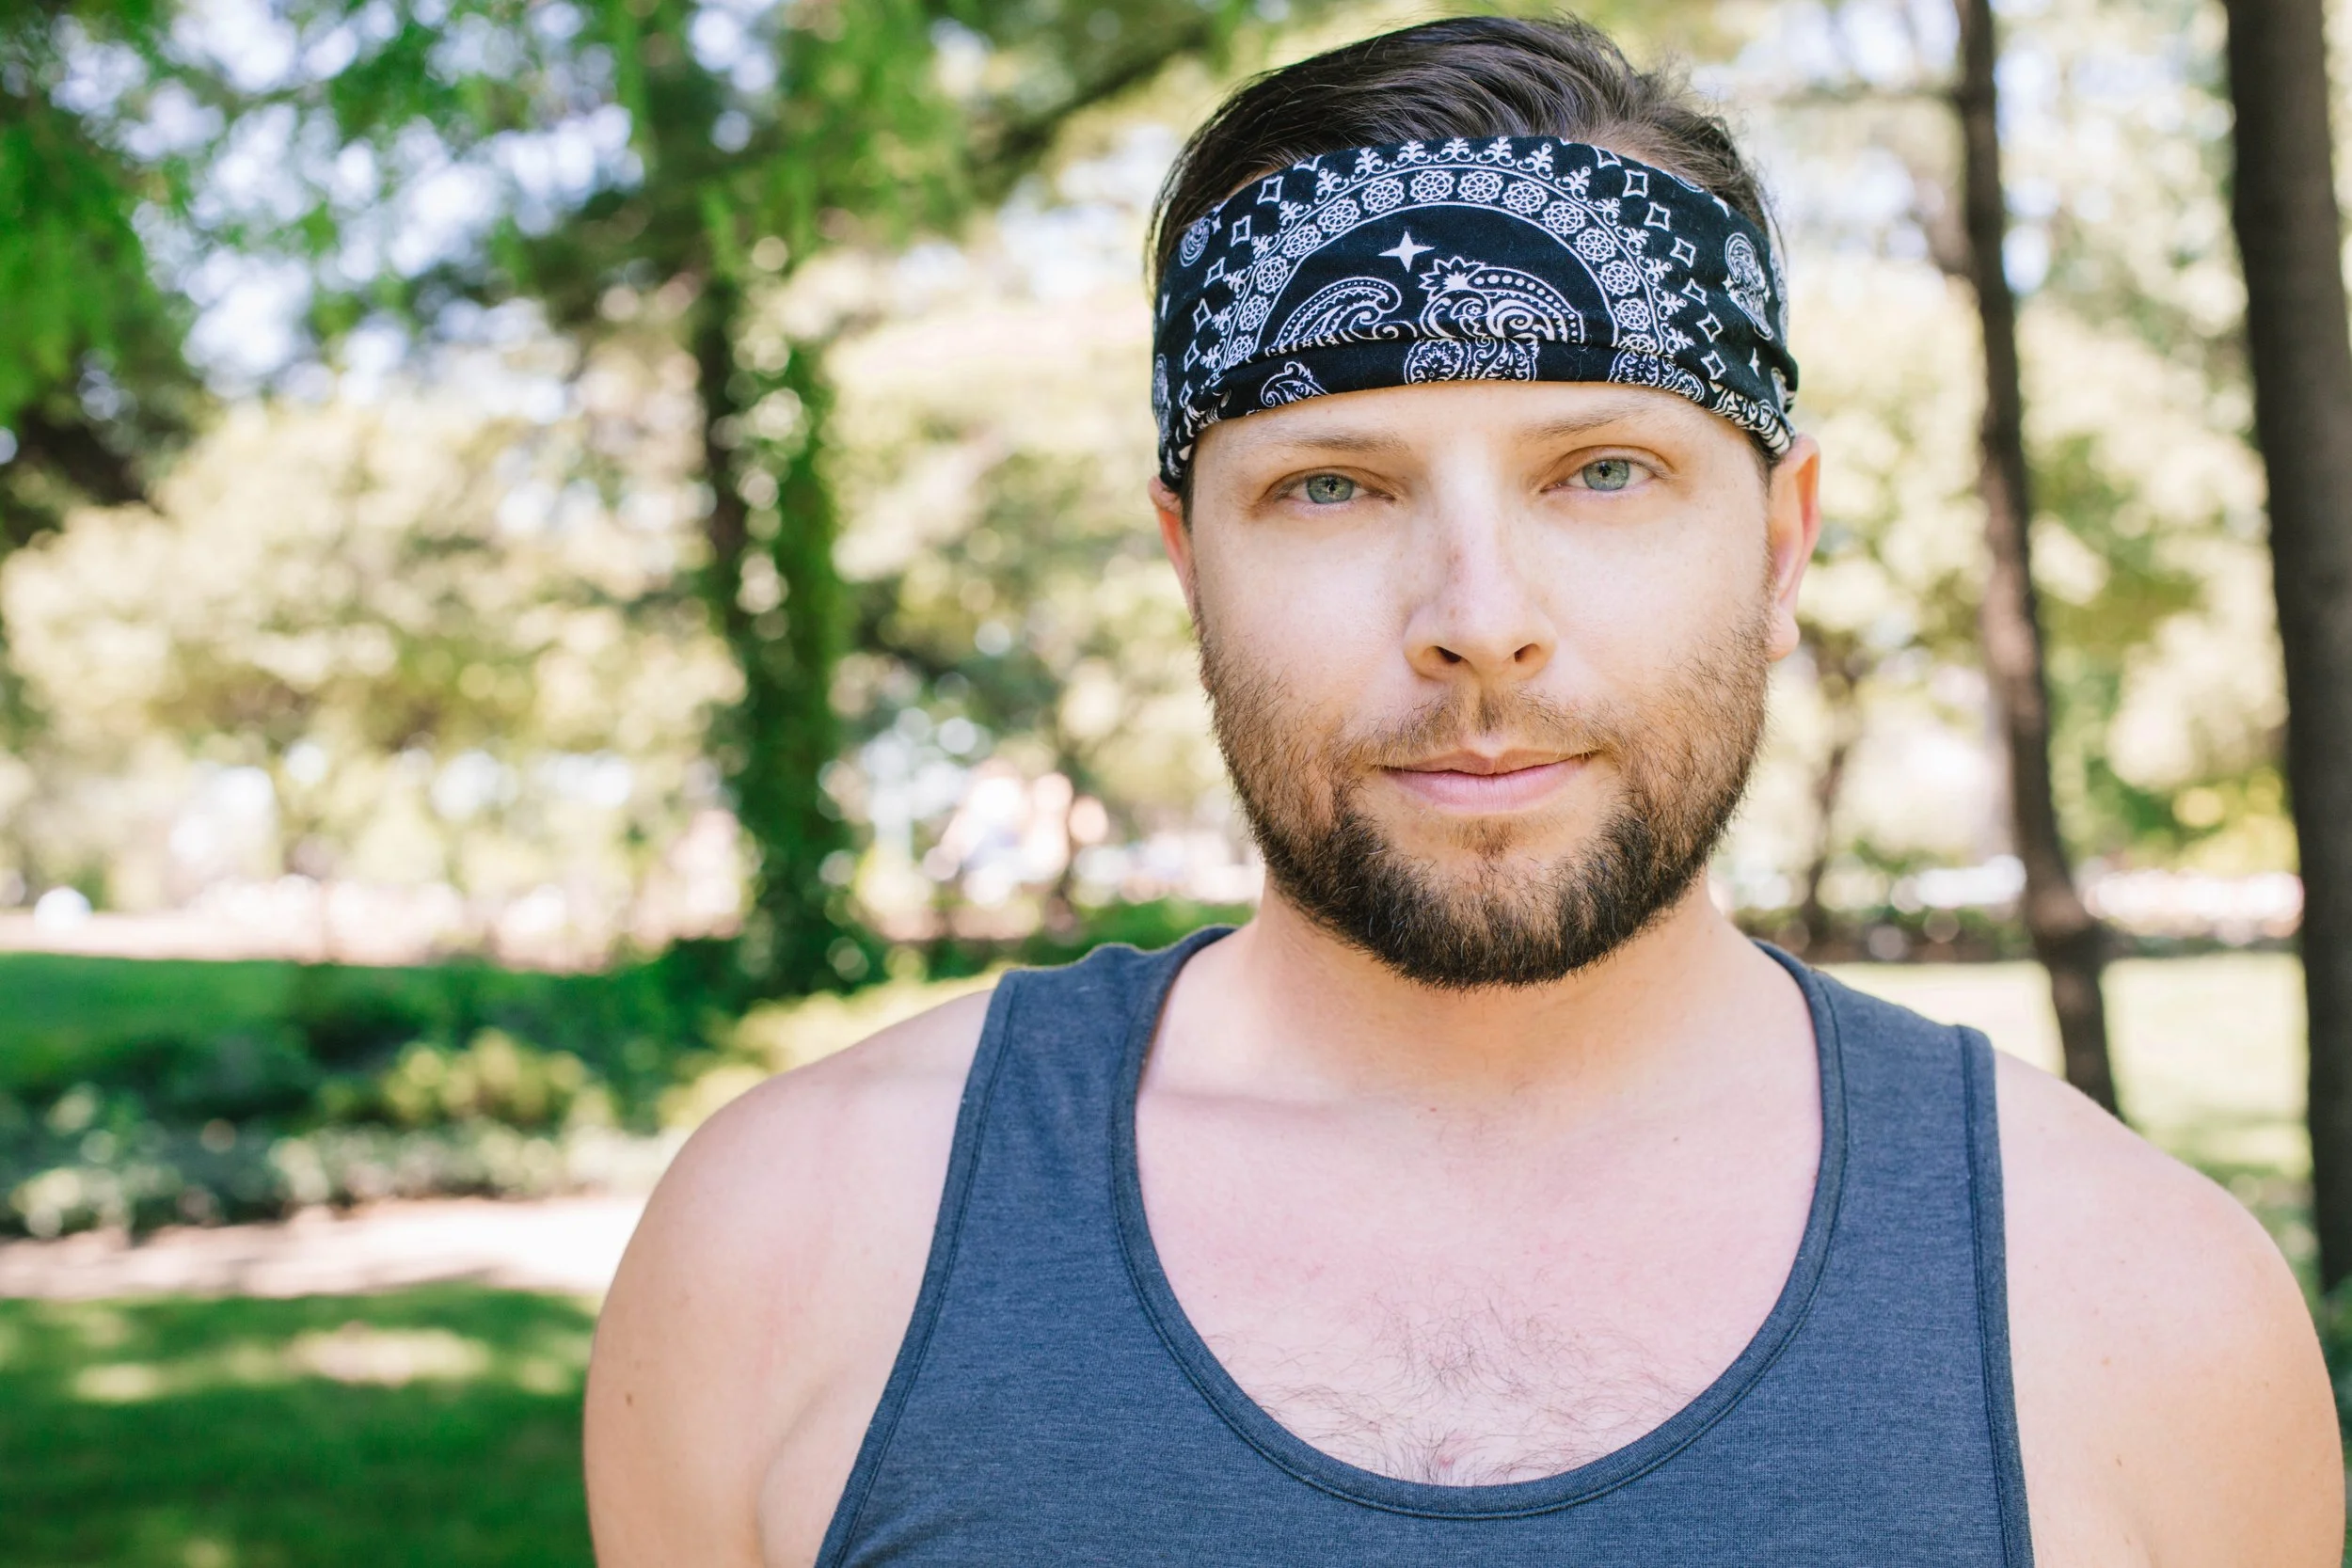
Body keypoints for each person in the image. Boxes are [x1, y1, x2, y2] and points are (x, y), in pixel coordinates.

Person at [583, 15, 2343, 1566]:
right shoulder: (794, 1250)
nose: (1478, 618)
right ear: (1189, 560)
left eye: (1603, 469)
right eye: (1334, 486)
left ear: (1781, 544)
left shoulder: (2145, 1316)